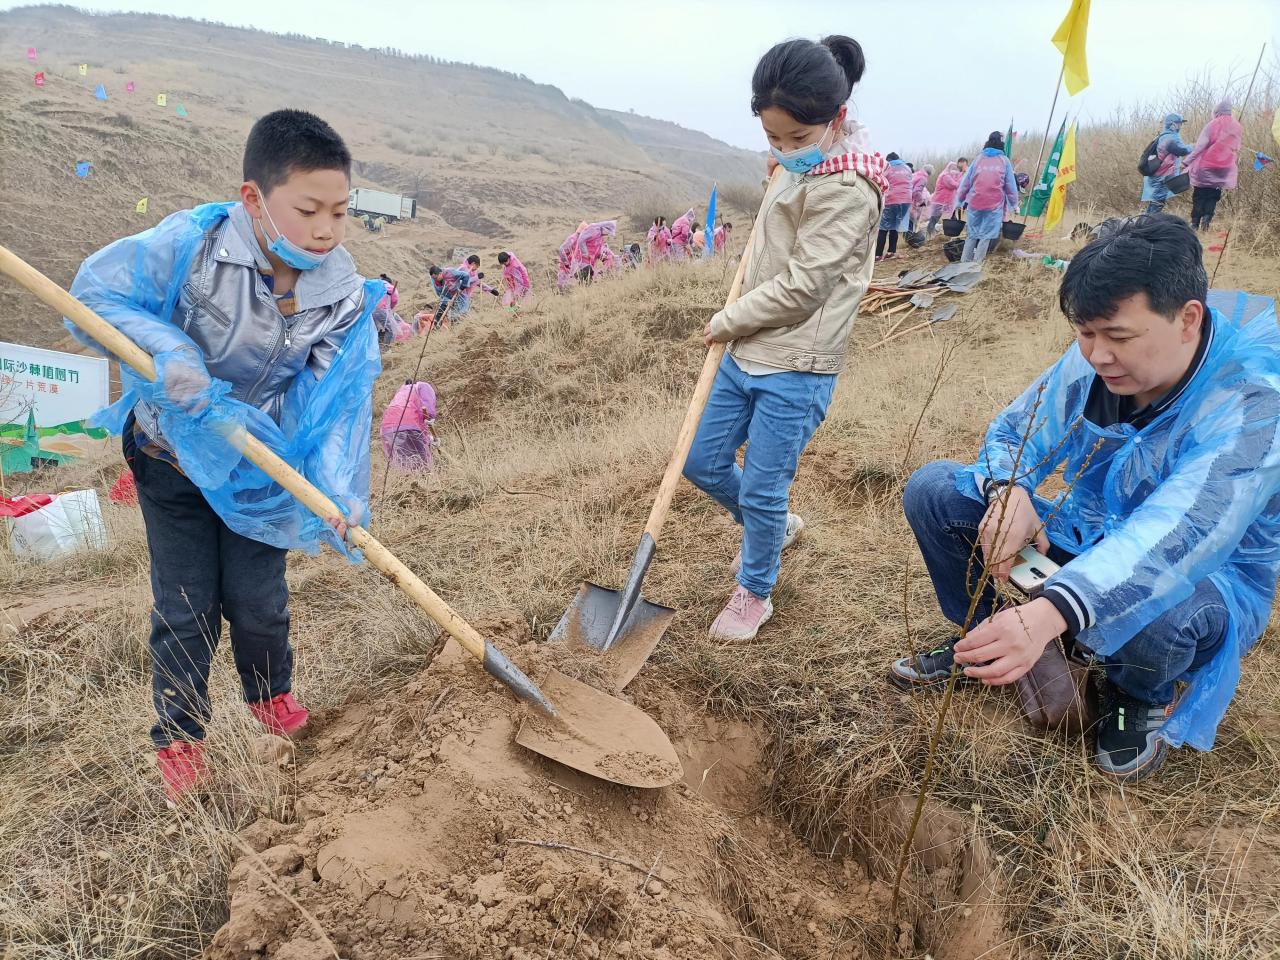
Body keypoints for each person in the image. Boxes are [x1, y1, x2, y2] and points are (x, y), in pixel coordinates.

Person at [887, 215, 1280, 783]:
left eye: (1117, 337)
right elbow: (1016, 431)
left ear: (1188, 319)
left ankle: (1133, 692)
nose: (1097, 355)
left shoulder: (1253, 405)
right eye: (1084, 333)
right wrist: (1009, 490)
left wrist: (1054, 610)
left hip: (1202, 578)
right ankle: (990, 641)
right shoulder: (1098, 357)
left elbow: (1182, 535)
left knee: (1167, 614)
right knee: (938, 491)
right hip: (1091, 534)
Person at [68, 110, 382, 802]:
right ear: (254, 199)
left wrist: (334, 489)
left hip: (252, 471)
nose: (326, 229)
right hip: (169, 452)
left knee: (258, 602)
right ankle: (180, 738)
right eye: (308, 210)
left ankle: (271, 697)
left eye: (340, 211)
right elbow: (94, 295)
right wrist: (169, 352)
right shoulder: (193, 244)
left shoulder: (340, 295)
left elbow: (334, 402)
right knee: (186, 605)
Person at [684, 34, 885, 643]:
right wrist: (782, 163)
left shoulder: (848, 188)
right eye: (774, 137)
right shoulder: (798, 166)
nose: (785, 149)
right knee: (702, 463)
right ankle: (773, 525)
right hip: (749, 351)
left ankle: (755, 590)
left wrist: (728, 319)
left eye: (799, 139)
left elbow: (802, 288)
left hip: (797, 363)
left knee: (765, 489)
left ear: (836, 120)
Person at [953, 131, 1017, 263]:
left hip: (975, 203)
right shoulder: (1004, 161)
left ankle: (964, 262)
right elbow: (1010, 186)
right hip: (993, 205)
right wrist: (1014, 204)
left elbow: (966, 183)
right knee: (986, 235)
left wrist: (959, 200)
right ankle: (976, 264)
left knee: (972, 234)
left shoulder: (978, 159)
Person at [1185, 99, 1242, 231]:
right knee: (1213, 195)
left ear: (1217, 111)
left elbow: (1200, 147)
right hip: (1224, 168)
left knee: (1199, 194)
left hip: (1206, 166)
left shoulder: (1212, 125)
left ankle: (1194, 223)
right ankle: (1206, 221)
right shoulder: (1237, 126)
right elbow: (1236, 147)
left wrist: (1186, 162)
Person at [380, 380, 438, 471]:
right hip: (409, 424)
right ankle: (426, 479)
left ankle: (410, 482)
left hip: (387, 429)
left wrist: (429, 439)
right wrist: (431, 417)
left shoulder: (400, 393)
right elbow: (427, 412)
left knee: (403, 463)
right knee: (422, 461)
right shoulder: (423, 386)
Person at [1142, 112, 1191, 214]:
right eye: (1179, 123)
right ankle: (1148, 224)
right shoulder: (1169, 137)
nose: (1180, 125)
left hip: (1160, 174)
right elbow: (1180, 151)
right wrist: (1194, 147)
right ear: (1172, 124)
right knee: (1158, 202)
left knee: (1156, 201)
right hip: (1162, 175)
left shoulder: (1165, 136)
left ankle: (1147, 222)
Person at [876, 153, 913, 261]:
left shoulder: (887, 167)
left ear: (889, 160)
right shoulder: (907, 168)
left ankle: (878, 255)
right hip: (906, 200)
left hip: (891, 199)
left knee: (883, 228)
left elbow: (881, 182)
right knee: (895, 226)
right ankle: (891, 251)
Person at [425, 264, 472, 329]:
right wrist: (444, 299)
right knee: (444, 313)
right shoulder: (433, 279)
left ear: (440, 273)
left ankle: (460, 328)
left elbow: (465, 276)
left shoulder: (450, 272)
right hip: (446, 297)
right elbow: (439, 292)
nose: (435, 279)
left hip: (458, 296)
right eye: (433, 278)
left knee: (458, 315)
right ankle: (437, 324)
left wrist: (461, 289)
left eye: (436, 278)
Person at [925, 160, 963, 237]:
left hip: (947, 202)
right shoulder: (945, 176)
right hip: (940, 201)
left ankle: (951, 234)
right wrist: (961, 175)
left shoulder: (950, 176)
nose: (954, 171)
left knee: (952, 218)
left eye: (956, 169)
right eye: (953, 169)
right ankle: (929, 234)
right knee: (934, 218)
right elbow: (954, 185)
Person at [909, 163, 932, 232]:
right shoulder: (923, 178)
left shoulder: (916, 174)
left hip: (906, 198)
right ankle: (911, 236)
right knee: (912, 220)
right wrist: (921, 201)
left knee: (910, 220)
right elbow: (916, 191)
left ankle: (909, 236)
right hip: (912, 201)